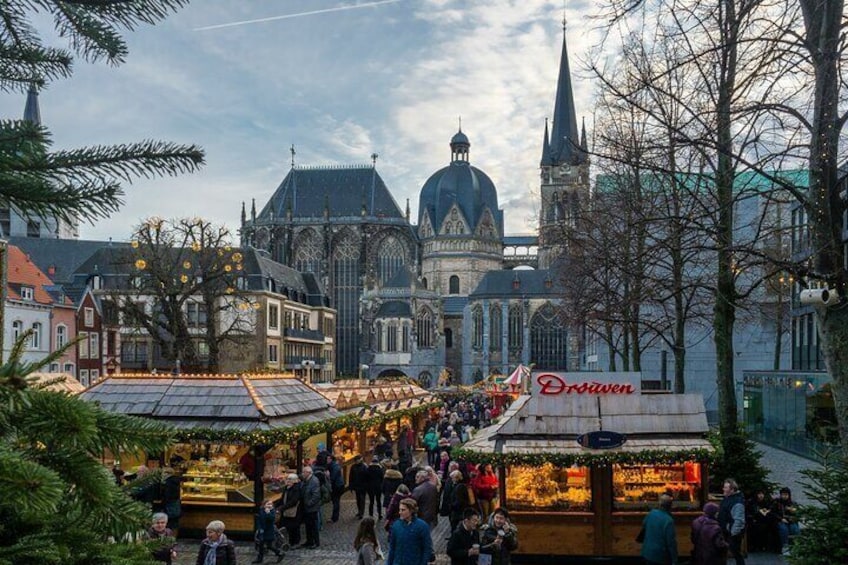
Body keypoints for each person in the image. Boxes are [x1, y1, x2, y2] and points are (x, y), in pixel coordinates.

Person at [386, 498, 433, 565]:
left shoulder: (422, 526)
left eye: (403, 510)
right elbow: (392, 548)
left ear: (411, 511)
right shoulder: (396, 525)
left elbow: (427, 548)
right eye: (399, 509)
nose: (400, 512)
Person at [639, 493, 678, 565]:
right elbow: (671, 543)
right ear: (670, 506)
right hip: (660, 556)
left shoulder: (651, 513)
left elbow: (644, 524)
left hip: (647, 552)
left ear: (659, 504)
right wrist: (674, 560)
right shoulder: (669, 521)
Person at [718, 478, 746, 565]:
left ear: (732, 489)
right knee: (724, 552)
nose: (723, 489)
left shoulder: (737, 502)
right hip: (726, 530)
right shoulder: (727, 498)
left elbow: (739, 520)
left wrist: (733, 533)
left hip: (732, 532)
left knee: (736, 552)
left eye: (725, 487)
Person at [275, 473, 302, 547]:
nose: (288, 481)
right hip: (287, 511)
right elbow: (282, 498)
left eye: (290, 479)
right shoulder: (287, 488)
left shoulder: (296, 489)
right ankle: (290, 542)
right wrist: (276, 505)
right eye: (288, 479)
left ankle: (295, 542)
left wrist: (282, 507)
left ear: (294, 481)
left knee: (294, 527)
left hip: (294, 512)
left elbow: (293, 501)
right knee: (289, 527)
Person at [299, 465, 322, 549]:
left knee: (313, 526)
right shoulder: (306, 480)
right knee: (308, 526)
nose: (302, 474)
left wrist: (309, 503)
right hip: (307, 507)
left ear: (308, 473)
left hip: (312, 508)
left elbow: (316, 495)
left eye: (303, 472)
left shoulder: (314, 481)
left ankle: (315, 542)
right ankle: (309, 541)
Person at [773, 487, 800, 556]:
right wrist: (780, 518)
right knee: (783, 529)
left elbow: (798, 513)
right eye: (783, 494)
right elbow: (773, 513)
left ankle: (796, 547)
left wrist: (793, 514)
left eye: (786, 495)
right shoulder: (777, 503)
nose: (784, 496)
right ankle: (785, 547)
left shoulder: (792, 503)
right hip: (781, 520)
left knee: (795, 529)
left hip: (791, 521)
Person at [349, 454, 369, 519]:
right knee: (358, 500)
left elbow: (367, 477)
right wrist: (351, 486)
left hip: (363, 486)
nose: (356, 461)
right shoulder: (353, 467)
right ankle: (359, 511)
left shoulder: (364, 467)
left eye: (357, 460)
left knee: (362, 500)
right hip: (356, 486)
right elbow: (351, 476)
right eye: (355, 460)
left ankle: (361, 513)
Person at [366, 455, 386, 519]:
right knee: (378, 501)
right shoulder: (380, 469)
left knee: (371, 501)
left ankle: (370, 514)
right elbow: (382, 478)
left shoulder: (368, 468)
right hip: (378, 487)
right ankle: (379, 514)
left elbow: (366, 478)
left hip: (370, 487)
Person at [328, 454, 346, 523]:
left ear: (331, 459)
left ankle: (334, 518)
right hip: (338, 486)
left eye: (328, 459)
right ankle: (335, 517)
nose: (327, 460)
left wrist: (328, 476)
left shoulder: (334, 467)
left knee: (336, 501)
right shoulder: (334, 466)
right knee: (336, 501)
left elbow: (333, 478)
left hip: (337, 487)